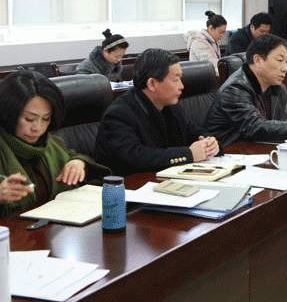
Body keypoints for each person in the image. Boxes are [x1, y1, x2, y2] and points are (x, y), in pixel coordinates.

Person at [0, 71, 110, 217]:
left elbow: (76, 158)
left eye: (46, 119)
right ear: (9, 113)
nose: (37, 128)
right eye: (29, 119)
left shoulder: (50, 143)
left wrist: (79, 163)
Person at [94, 49, 219, 176]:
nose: (182, 86)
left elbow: (195, 133)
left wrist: (211, 144)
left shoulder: (171, 107)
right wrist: (189, 154)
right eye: (175, 80)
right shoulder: (119, 114)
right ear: (152, 84)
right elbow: (136, 158)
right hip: (130, 185)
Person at [205, 34, 287, 147]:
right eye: (280, 60)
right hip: (228, 155)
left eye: (286, 62)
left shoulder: (278, 88)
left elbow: (278, 124)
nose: (285, 68)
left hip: (258, 150)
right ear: (258, 60)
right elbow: (255, 127)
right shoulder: (235, 89)